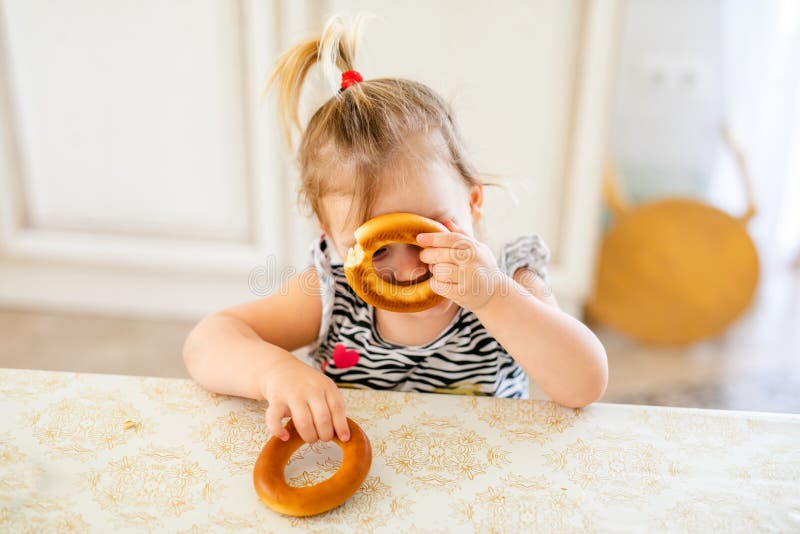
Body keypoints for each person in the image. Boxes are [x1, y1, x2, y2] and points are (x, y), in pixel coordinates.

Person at [183, 15, 607, 445]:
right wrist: (274, 372)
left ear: (474, 201)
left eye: (428, 232)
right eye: (378, 250)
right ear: (331, 236)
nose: (407, 269)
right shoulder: (333, 295)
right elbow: (206, 341)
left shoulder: (512, 281)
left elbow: (585, 383)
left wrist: (494, 296)